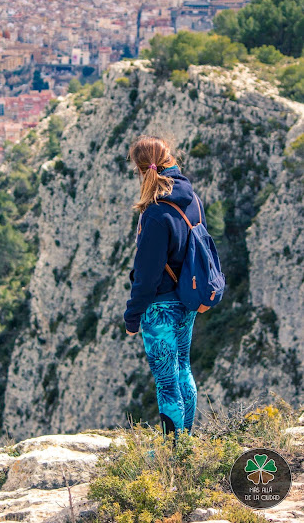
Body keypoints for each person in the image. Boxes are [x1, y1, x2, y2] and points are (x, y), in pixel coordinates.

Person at [123, 134, 208, 444]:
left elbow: (146, 277)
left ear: (141, 170)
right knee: (183, 368)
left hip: (160, 308)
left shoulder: (156, 214)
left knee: (166, 381)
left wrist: (132, 317)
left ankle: (172, 450)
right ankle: (185, 442)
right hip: (187, 299)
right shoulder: (192, 199)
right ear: (170, 159)